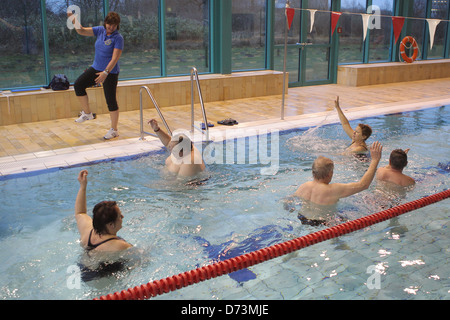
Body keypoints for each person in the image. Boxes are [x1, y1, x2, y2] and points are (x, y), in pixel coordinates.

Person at [292, 141, 383, 225]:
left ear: (313, 172)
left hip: (302, 217)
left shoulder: (304, 186)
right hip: (323, 222)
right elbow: (363, 185)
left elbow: (289, 200)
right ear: (329, 174)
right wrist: (375, 160)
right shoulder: (333, 189)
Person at [68, 11, 124, 140]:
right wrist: (73, 19)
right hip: (95, 68)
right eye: (109, 24)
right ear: (105, 23)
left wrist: (105, 72)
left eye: (114, 25)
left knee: (110, 100)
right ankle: (87, 113)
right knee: (78, 85)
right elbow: (81, 31)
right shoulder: (100, 31)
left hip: (110, 72)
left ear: (117, 26)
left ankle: (114, 130)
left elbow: (115, 58)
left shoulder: (118, 38)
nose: (111, 27)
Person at [75, 170, 132, 252]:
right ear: (111, 224)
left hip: (82, 264)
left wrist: (82, 186)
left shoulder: (88, 231)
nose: (123, 217)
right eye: (119, 216)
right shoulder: (121, 246)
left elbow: (80, 212)